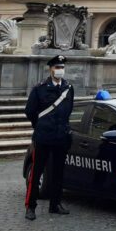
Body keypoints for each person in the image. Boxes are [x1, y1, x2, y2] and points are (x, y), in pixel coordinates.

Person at [24, 55, 74, 220]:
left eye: (61, 67)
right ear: (50, 69)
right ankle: (30, 207)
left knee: (58, 173)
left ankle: (55, 204)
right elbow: (30, 111)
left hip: (61, 137)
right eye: (57, 67)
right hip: (43, 137)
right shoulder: (40, 88)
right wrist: (39, 127)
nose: (59, 70)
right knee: (37, 172)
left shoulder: (68, 88)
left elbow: (68, 110)